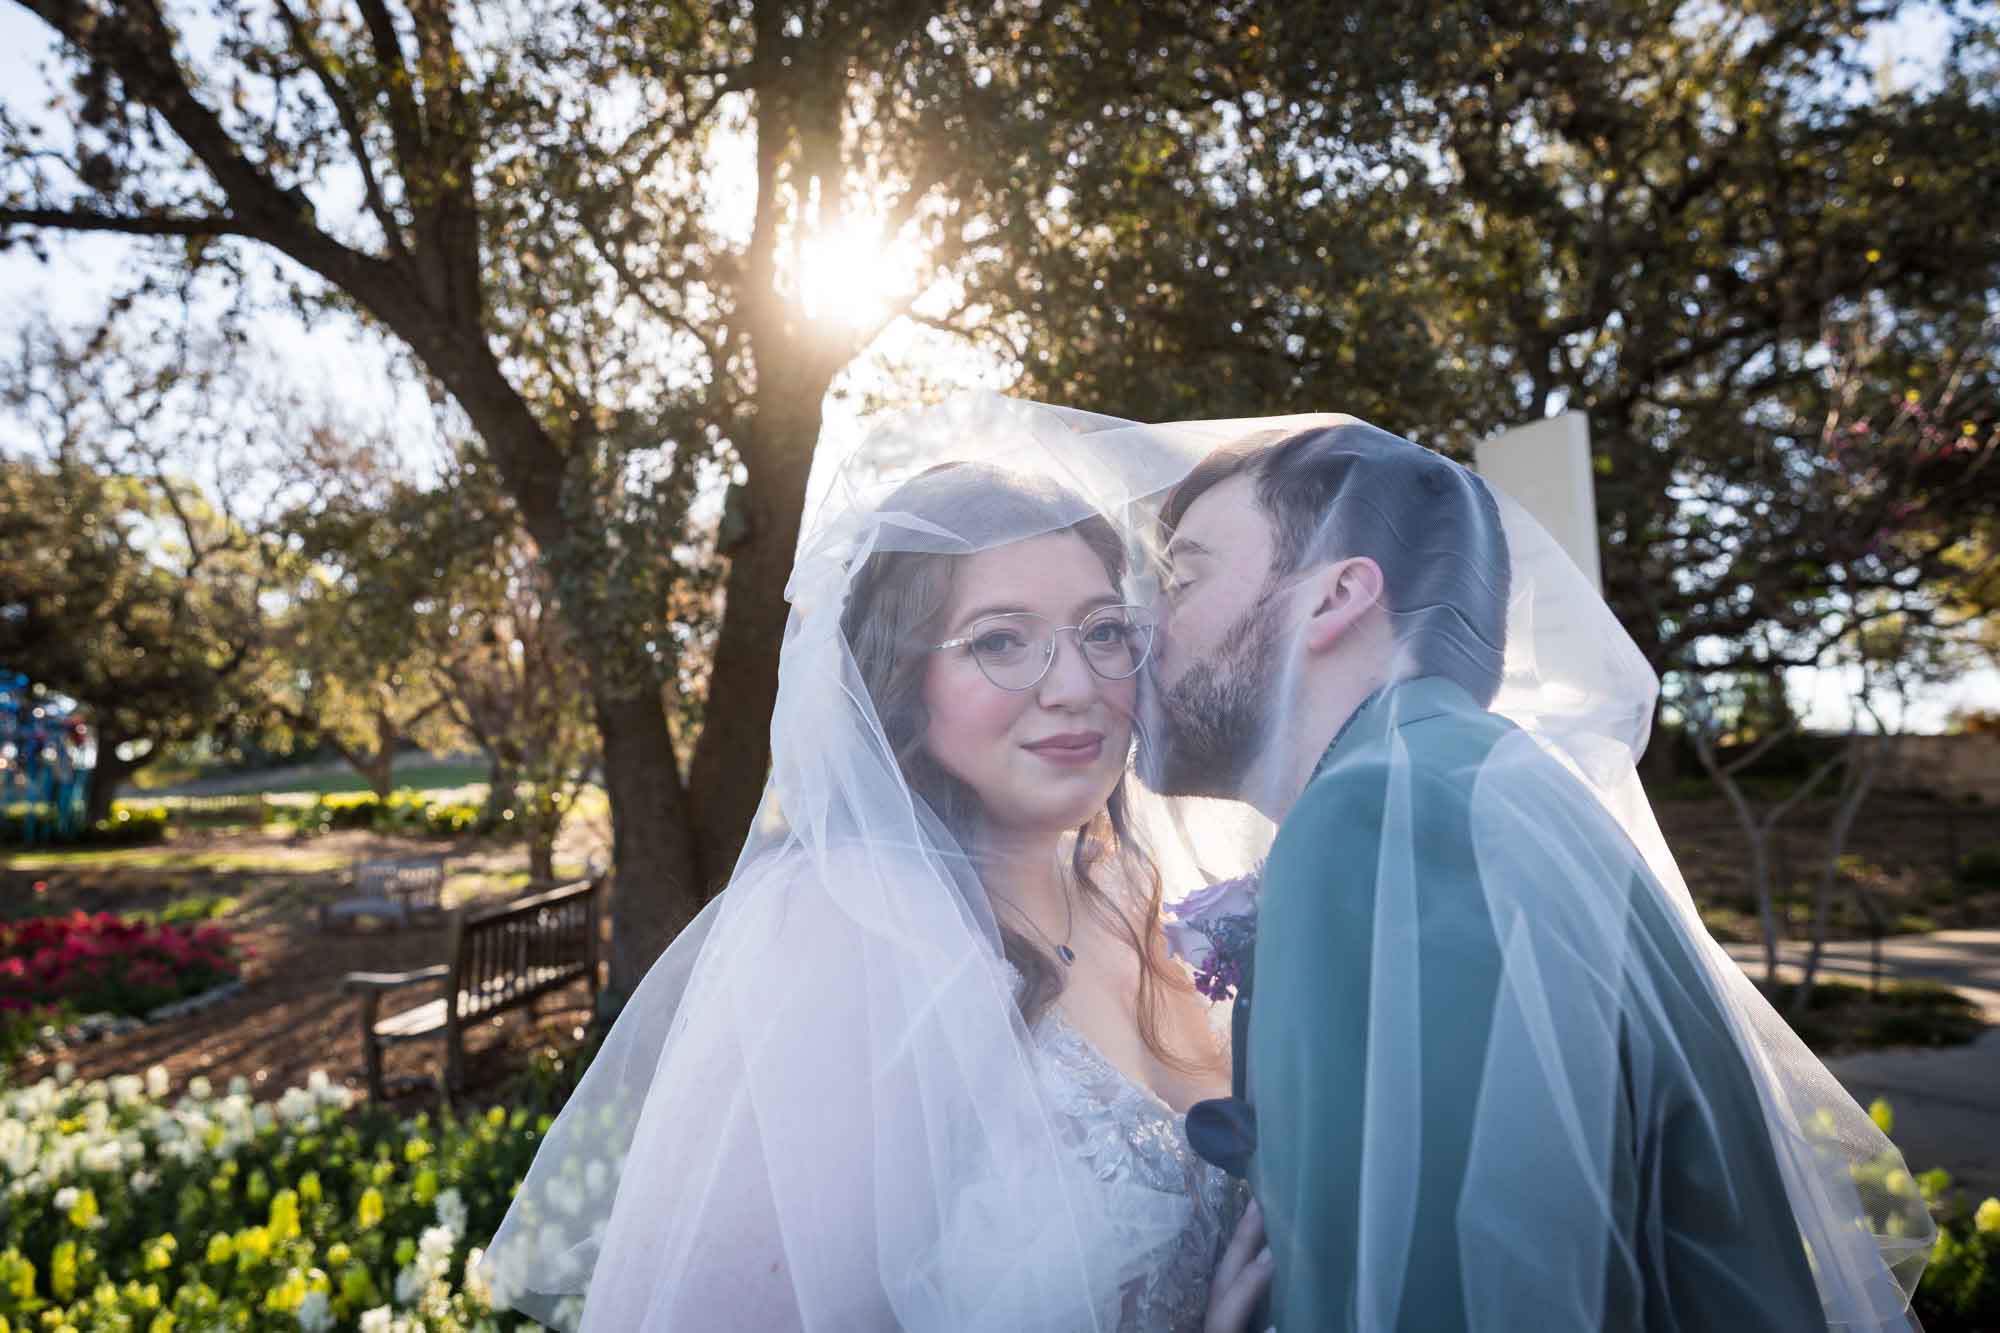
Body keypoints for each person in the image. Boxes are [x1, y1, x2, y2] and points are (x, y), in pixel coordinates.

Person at [482, 394, 1276, 1332]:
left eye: (1102, 630)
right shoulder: (848, 939)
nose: (1074, 687)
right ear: (905, 682)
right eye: (999, 641)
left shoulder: (1137, 895)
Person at [1142, 420, 1935, 1331]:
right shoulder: (1477, 780)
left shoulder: (1378, 816)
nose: (1143, 624)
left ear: (1336, 597)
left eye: (1184, 576)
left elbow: (1464, 1287)